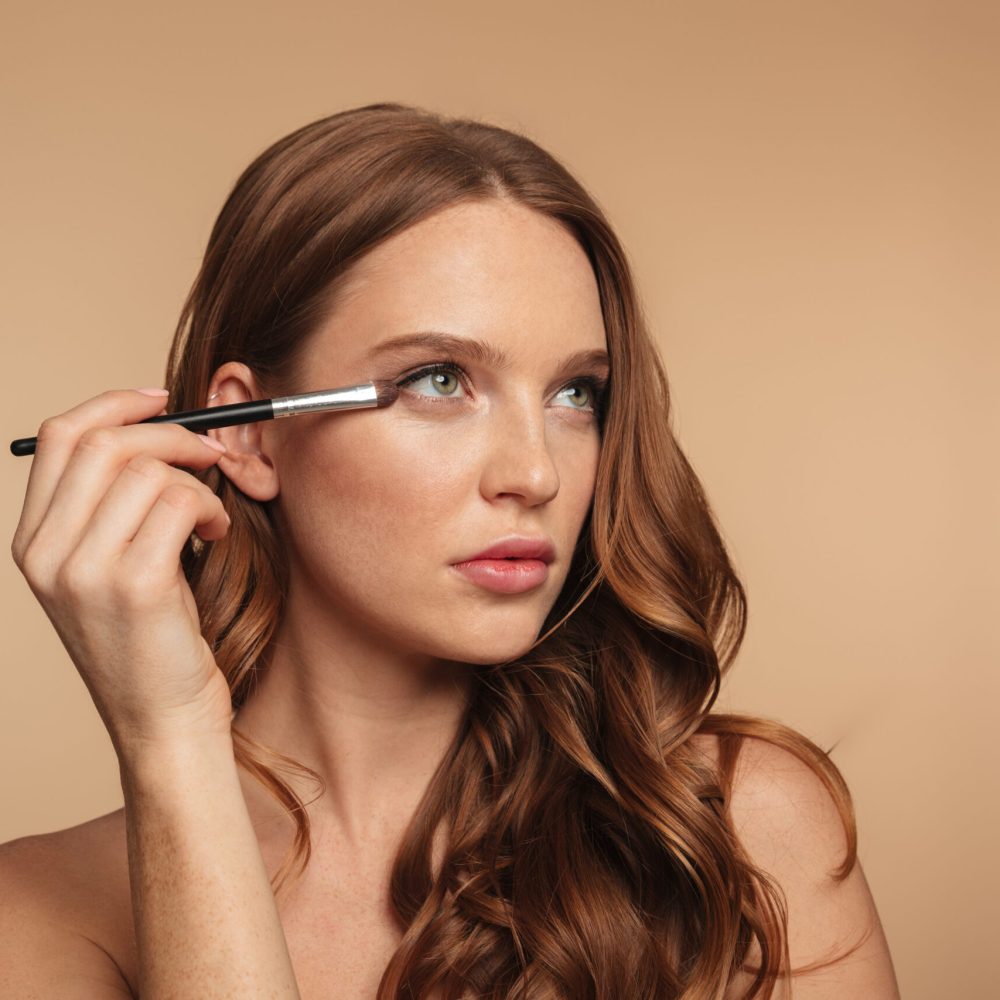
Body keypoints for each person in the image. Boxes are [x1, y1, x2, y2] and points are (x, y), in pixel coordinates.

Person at [1, 102, 900, 999]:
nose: (535, 474)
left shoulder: (734, 836)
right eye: (440, 380)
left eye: (576, 393)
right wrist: (167, 737)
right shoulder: (36, 914)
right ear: (248, 433)